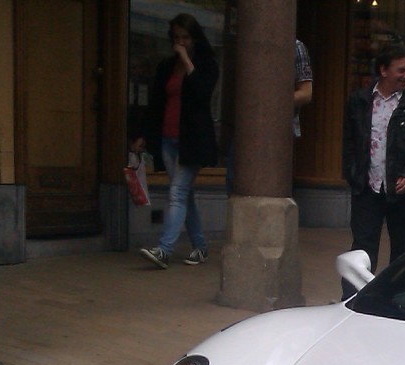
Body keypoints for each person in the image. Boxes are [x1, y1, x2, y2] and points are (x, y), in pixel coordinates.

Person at [134, 13, 219, 270]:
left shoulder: (206, 64)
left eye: (186, 38)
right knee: (183, 195)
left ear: (194, 38)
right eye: (177, 38)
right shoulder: (166, 67)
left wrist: (186, 61)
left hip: (192, 141)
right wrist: (143, 136)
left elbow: (203, 93)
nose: (181, 43)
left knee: (177, 193)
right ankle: (201, 247)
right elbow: (156, 104)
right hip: (168, 138)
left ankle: (164, 249)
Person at [343, 43, 405, 269]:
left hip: (401, 192)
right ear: (384, 70)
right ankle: (353, 299)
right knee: (362, 251)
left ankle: (392, 301)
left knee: (402, 252)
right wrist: (353, 174)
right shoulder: (360, 101)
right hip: (367, 188)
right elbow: (349, 142)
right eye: (401, 70)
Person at [224, 39, 313, 191]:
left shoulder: (295, 47)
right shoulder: (248, 43)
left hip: (278, 129)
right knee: (234, 180)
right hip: (246, 126)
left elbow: (306, 93)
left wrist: (273, 101)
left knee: (271, 186)